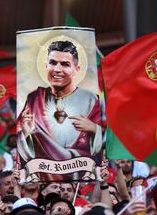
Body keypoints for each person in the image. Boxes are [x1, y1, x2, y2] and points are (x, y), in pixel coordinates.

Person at [17, 40, 102, 180]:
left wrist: (94, 128)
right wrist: (25, 133)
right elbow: (23, 144)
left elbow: (105, 142)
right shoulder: (33, 98)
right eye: (53, 62)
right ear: (45, 66)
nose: (57, 69)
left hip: (80, 172)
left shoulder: (91, 99)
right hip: (44, 174)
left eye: (65, 64)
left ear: (77, 69)